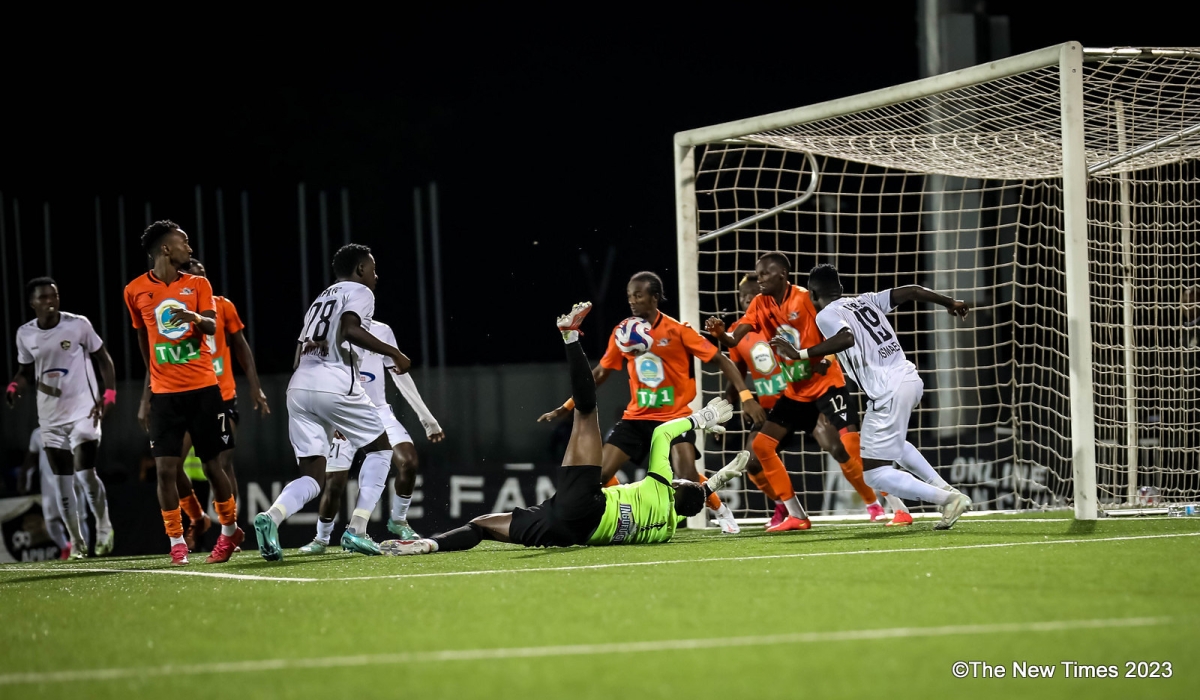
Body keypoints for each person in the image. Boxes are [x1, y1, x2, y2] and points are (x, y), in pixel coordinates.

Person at [382, 301, 747, 556]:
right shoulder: (666, 531)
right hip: (568, 531)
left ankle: (570, 337)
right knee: (482, 525)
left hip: (585, 504)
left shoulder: (660, 483)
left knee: (587, 411)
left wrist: (705, 418)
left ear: (677, 486)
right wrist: (720, 479)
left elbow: (663, 434)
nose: (682, 480)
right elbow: (692, 494)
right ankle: (427, 545)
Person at [538, 272, 765, 534]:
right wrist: (567, 407)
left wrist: (746, 397)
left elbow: (723, 360)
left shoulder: (678, 331)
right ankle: (619, 514)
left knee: (686, 474)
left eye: (638, 295)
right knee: (598, 474)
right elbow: (600, 373)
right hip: (636, 418)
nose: (632, 301)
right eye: (629, 296)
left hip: (675, 416)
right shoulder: (622, 333)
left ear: (654, 297)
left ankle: (720, 509)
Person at [772, 264, 972, 529]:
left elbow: (846, 337)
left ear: (811, 294)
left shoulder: (827, 315)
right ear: (841, 288)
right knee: (895, 447)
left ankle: (947, 499)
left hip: (888, 390)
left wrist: (801, 353)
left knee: (875, 474)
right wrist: (950, 302)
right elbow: (911, 291)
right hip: (909, 379)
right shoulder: (867, 300)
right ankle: (946, 490)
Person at [253, 243, 412, 561]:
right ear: (361, 270)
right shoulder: (361, 292)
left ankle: (271, 517)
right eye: (373, 268)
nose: (376, 276)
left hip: (299, 388)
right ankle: (357, 529)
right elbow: (349, 329)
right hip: (335, 383)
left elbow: (299, 351)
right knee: (381, 450)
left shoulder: (320, 299)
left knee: (312, 477)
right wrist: (393, 352)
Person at [705, 253, 884, 532]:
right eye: (745, 292)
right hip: (790, 395)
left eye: (763, 276)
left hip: (820, 387)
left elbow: (832, 331)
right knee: (757, 453)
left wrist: (827, 361)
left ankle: (878, 504)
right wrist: (720, 336)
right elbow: (734, 366)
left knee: (842, 447)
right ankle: (788, 509)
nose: (753, 291)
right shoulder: (754, 314)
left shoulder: (803, 300)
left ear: (782, 275)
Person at [124, 220, 241, 565]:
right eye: (184, 242)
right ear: (165, 248)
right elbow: (143, 337)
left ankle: (229, 531)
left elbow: (210, 325)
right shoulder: (134, 290)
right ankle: (176, 541)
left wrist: (188, 314)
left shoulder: (198, 284)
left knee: (213, 467)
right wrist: (149, 388)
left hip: (205, 389)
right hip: (164, 395)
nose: (189, 249)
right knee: (164, 469)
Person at [298, 318, 443, 554]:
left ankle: (398, 520)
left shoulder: (382, 331)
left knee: (408, 461)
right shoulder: (329, 332)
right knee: (335, 484)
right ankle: (321, 539)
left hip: (378, 411)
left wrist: (426, 418)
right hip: (343, 413)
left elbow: (400, 373)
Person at [8, 277, 117, 556]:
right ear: (32, 303)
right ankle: (77, 542)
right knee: (62, 481)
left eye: (54, 296)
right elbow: (24, 372)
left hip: (84, 409)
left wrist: (109, 395)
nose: (50, 302)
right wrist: (13, 386)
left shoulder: (78, 324)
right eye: (43, 298)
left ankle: (104, 527)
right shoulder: (25, 334)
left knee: (85, 473)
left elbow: (103, 358)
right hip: (50, 416)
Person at [170, 258, 271, 551]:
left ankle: (229, 531)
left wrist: (255, 387)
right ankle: (197, 517)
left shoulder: (222, 306)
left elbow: (240, 345)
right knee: (172, 463)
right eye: (193, 274)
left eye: (203, 274)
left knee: (223, 463)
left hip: (222, 395)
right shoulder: (170, 312)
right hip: (185, 393)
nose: (200, 278)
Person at [22, 428, 91, 559]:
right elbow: (31, 456)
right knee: (50, 521)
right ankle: (64, 547)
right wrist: (24, 476)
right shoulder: (38, 434)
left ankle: (83, 551)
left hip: (72, 482)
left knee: (79, 519)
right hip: (49, 486)